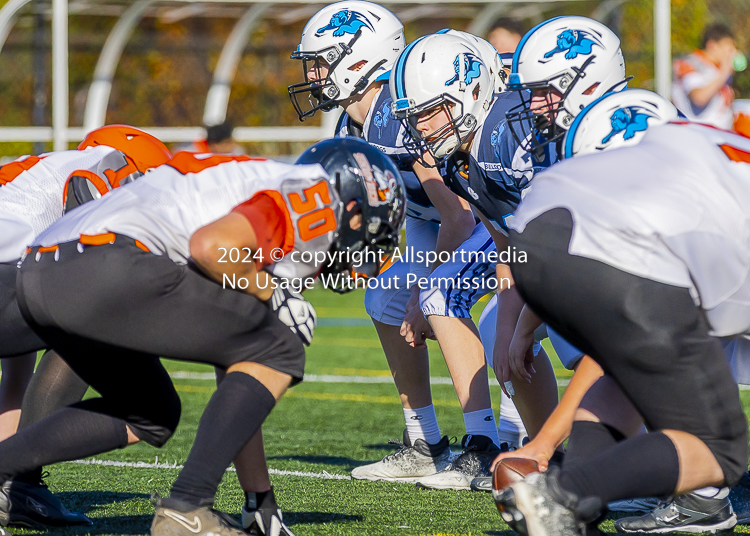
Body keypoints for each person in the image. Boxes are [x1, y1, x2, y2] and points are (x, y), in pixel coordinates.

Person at [0, 137, 405, 536]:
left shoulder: (251, 188)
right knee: (281, 344)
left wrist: (259, 502)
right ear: (352, 202)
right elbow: (211, 246)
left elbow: (239, 370)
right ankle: (187, 508)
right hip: (103, 260)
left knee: (152, 412)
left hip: (41, 268)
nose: (369, 243)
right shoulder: (312, 193)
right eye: (371, 226)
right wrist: (274, 293)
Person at [389, 16, 627, 491]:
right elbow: (507, 242)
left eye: (430, 112)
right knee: (500, 324)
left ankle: (629, 459)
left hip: (610, 256)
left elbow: (557, 244)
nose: (420, 128)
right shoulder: (462, 153)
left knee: (579, 331)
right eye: (413, 117)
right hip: (551, 253)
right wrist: (509, 328)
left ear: (470, 94)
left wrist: (527, 321)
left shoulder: (511, 140)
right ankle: (553, 457)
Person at [290, 2, 516, 491]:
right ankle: (426, 443)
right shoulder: (354, 123)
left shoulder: (399, 114)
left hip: (485, 221)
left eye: (322, 61)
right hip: (442, 226)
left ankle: (489, 442)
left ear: (359, 59)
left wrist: (423, 292)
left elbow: (456, 212)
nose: (313, 74)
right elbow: (409, 214)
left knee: (441, 298)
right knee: (383, 299)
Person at [494, 116, 750, 536]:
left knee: (627, 366)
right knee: (719, 452)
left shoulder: (711, 145)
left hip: (534, 226)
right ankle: (563, 494)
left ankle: (574, 514)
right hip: (623, 256)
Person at [0, 125, 172, 530]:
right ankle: (18, 481)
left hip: (8, 286)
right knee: (150, 402)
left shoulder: (33, 178)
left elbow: (16, 366)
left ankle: (14, 486)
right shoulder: (96, 167)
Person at [672, 23, 737, 129]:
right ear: (712, 45)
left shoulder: (718, 69)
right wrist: (724, 72)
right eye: (728, 48)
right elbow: (699, 98)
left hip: (719, 134)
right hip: (695, 134)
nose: (732, 53)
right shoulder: (690, 63)